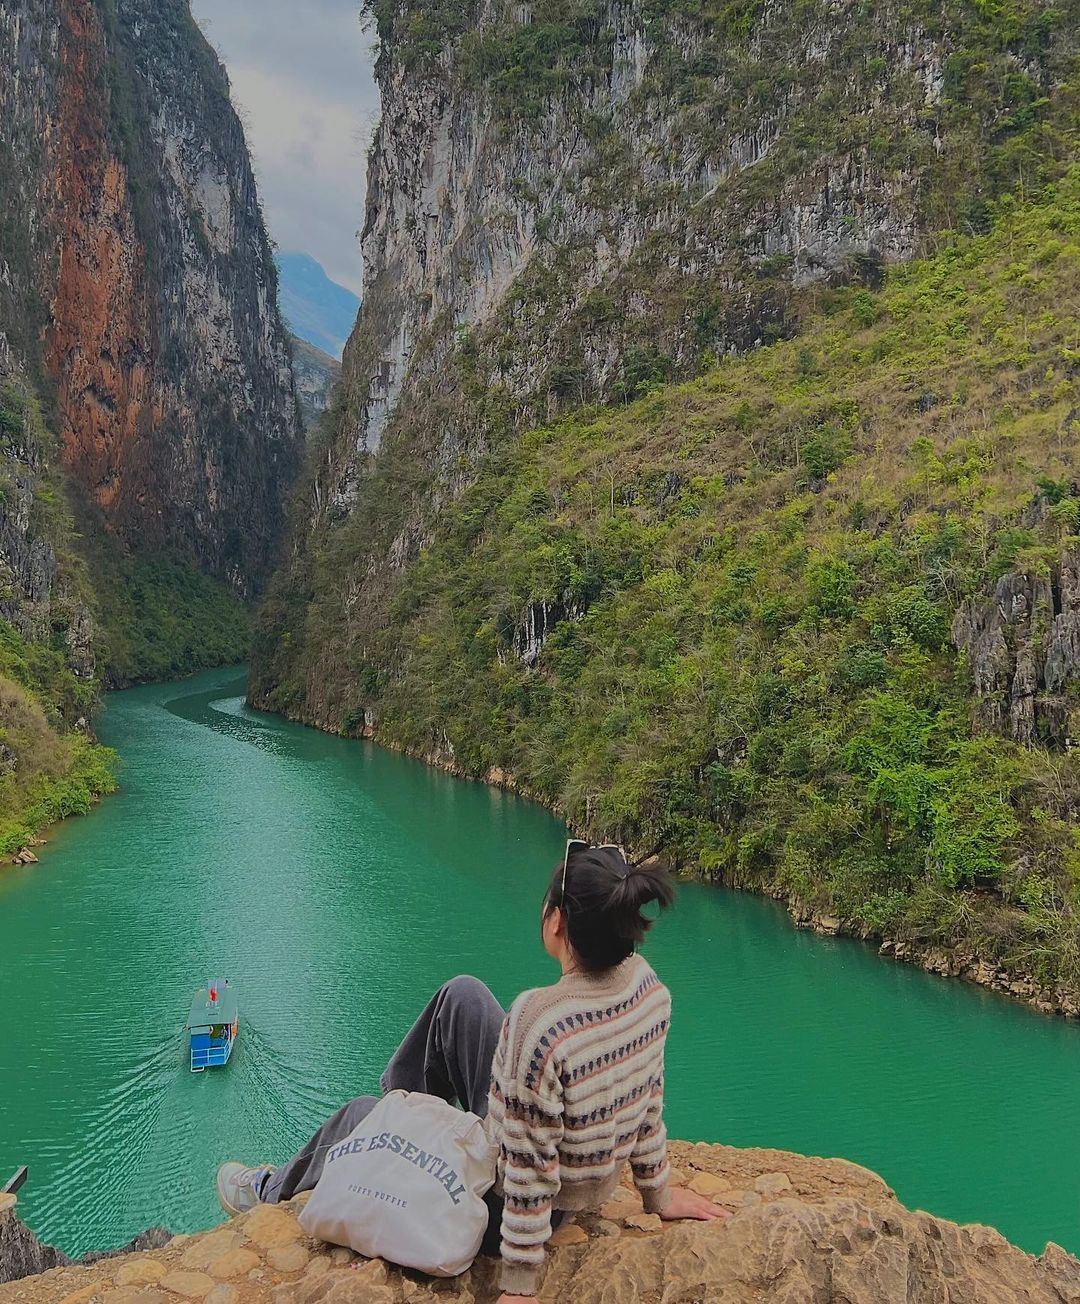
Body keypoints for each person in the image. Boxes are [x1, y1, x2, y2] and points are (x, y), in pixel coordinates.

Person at [216, 844, 729, 1301]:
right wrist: (658, 1195)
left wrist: (520, 1283)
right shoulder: (648, 988)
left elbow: (528, 1170)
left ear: (557, 922)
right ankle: (404, 1129)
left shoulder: (540, 1022)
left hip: (510, 1206)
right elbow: (648, 1101)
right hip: (571, 1160)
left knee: (357, 1115)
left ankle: (273, 1189)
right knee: (462, 995)